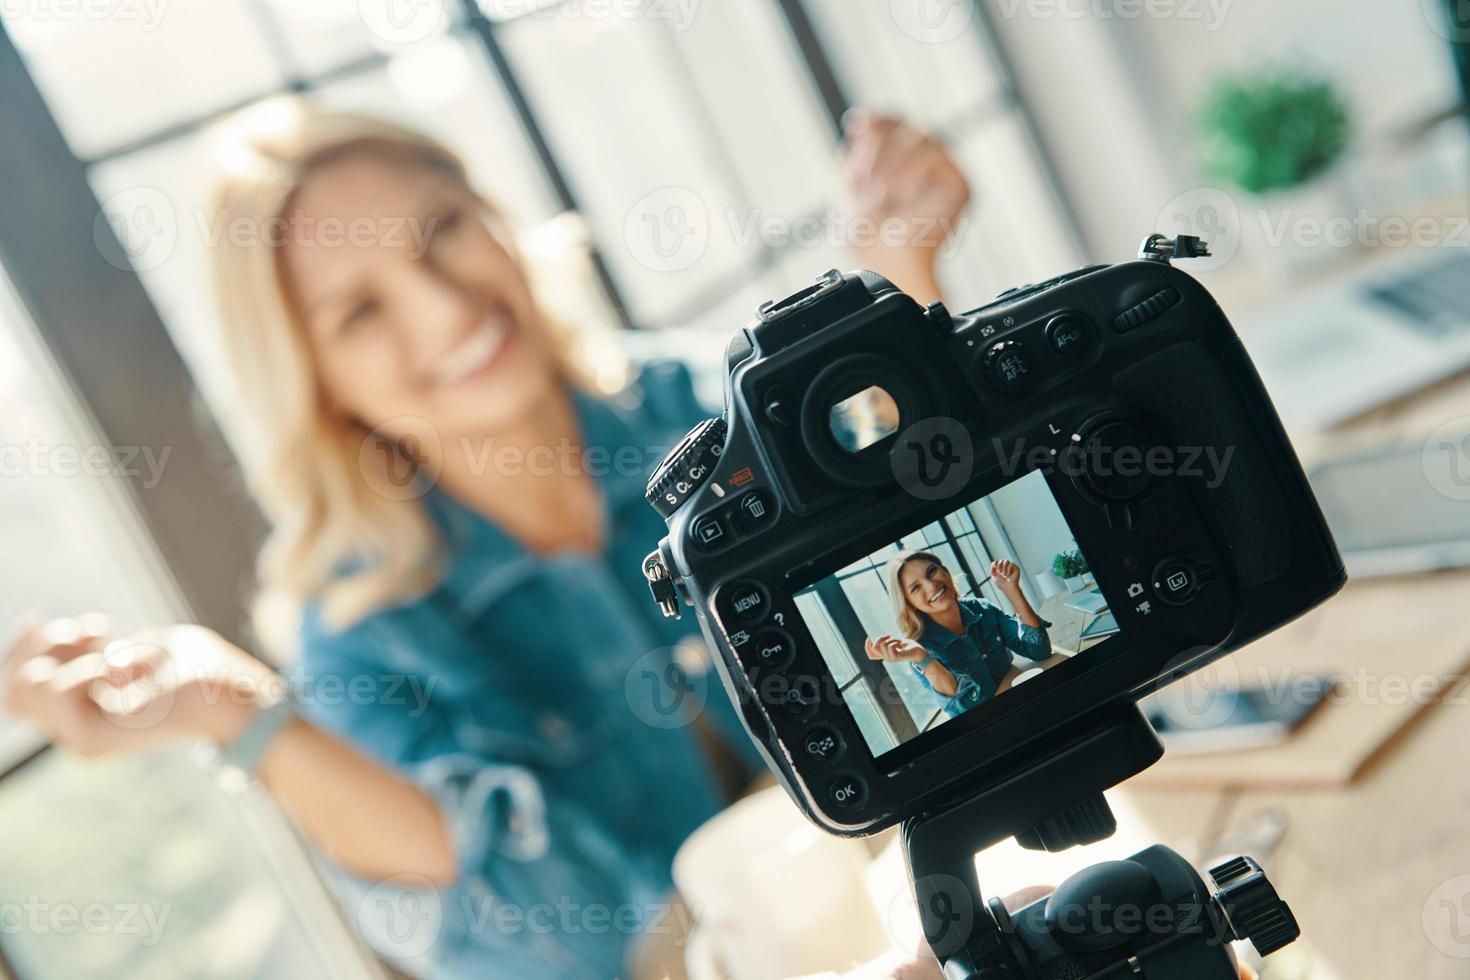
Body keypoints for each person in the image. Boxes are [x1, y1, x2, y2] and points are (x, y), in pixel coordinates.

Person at [0, 102, 973, 979]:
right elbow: (555, 939)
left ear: (494, 216)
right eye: (362, 309)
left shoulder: (707, 408)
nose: (447, 308)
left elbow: (947, 607)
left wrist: (891, 302)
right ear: (315, 376)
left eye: (442, 233)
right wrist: (237, 713)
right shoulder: (363, 629)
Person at [865, 551, 1052, 716]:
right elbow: (966, 712)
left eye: (932, 572)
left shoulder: (982, 609)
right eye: (916, 588)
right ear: (909, 603)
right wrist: (921, 656)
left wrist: (1011, 590)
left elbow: (1039, 650)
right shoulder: (921, 652)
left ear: (945, 572)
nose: (931, 586)